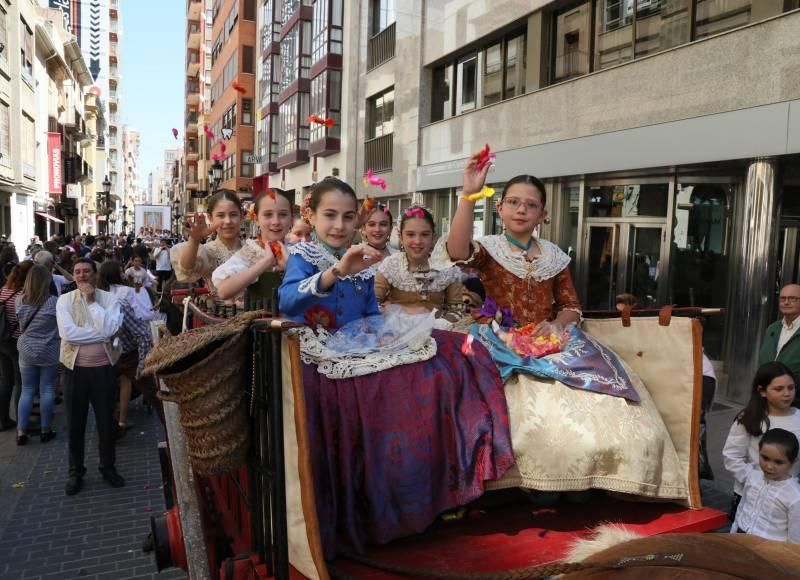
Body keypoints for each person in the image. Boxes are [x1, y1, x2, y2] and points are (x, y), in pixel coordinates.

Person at [278, 177, 514, 558]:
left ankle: (427, 490)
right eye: (330, 216)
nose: (339, 225)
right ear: (310, 215)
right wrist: (337, 271)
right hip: (319, 355)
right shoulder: (306, 255)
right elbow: (287, 300)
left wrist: (385, 334)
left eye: (348, 216)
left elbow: (370, 311)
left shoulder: (368, 261)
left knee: (442, 363)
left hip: (362, 347)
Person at [436, 150, 687, 502]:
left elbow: (571, 305)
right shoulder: (489, 249)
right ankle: (502, 486)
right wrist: (468, 194)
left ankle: (577, 481)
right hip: (496, 337)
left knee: (595, 402)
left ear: (544, 213)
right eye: (513, 202)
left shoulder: (555, 256)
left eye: (530, 204)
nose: (521, 209)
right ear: (500, 209)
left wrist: (556, 325)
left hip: (550, 338)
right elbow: (457, 250)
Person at [56, 258, 124, 495]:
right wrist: (99, 333)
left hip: (103, 368)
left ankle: (108, 467)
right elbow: (68, 334)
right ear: (73, 276)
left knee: (106, 421)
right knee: (75, 422)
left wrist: (92, 303)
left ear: (95, 275)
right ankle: (75, 472)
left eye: (86, 271)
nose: (82, 275)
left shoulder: (110, 299)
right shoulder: (64, 301)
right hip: (75, 370)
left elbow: (110, 330)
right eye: (77, 272)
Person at [722, 361, 800, 519]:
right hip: (750, 495)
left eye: (790, 388)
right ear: (762, 391)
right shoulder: (750, 418)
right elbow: (732, 456)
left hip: (787, 497)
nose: (787, 393)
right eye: (779, 389)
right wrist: (753, 480)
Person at [375, 206, 464, 321]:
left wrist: (432, 323)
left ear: (433, 237)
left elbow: (457, 313)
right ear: (400, 237)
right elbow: (371, 306)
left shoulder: (447, 268)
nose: (417, 241)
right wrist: (401, 312)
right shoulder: (391, 265)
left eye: (425, 234)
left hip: (435, 335)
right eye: (410, 234)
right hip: (396, 334)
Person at [98, 260, 154, 433]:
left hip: (106, 348)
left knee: (114, 381)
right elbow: (142, 308)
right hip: (127, 345)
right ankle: (122, 418)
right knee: (126, 381)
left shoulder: (100, 294)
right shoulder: (128, 289)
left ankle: (114, 417)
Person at [213, 189, 292, 304]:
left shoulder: (301, 250)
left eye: (283, 215)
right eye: (268, 215)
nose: (276, 221)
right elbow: (223, 292)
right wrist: (265, 263)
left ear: (291, 219)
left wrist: (290, 267)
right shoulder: (250, 252)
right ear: (256, 219)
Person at [14, 265, 59, 445]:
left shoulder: (20, 300)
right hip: (48, 349)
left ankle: (21, 431)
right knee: (47, 389)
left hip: (26, 348)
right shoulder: (54, 302)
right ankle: (45, 429)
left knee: (27, 390)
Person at [170, 190, 244, 299]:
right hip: (219, 313)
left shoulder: (253, 248)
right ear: (210, 217)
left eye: (233, 215)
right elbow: (186, 268)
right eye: (221, 215)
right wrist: (194, 241)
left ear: (241, 216)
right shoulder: (210, 251)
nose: (228, 221)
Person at [731, 428, 800, 543]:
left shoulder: (795, 497)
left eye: (778, 462)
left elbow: (795, 540)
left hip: (769, 553)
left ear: (793, 462)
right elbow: (742, 509)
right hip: (739, 542)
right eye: (765, 458)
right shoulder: (752, 477)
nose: (769, 466)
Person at [0, 261, 33, 431]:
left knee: (6, 381)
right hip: (16, 341)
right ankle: (22, 422)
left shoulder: (3, 290)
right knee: (21, 383)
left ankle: (3, 419)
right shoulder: (23, 295)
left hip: (2, 339)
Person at [759, 284, 800, 405]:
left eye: (793, 298)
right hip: (767, 401)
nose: (786, 302)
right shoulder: (772, 328)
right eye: (783, 298)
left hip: (795, 405)